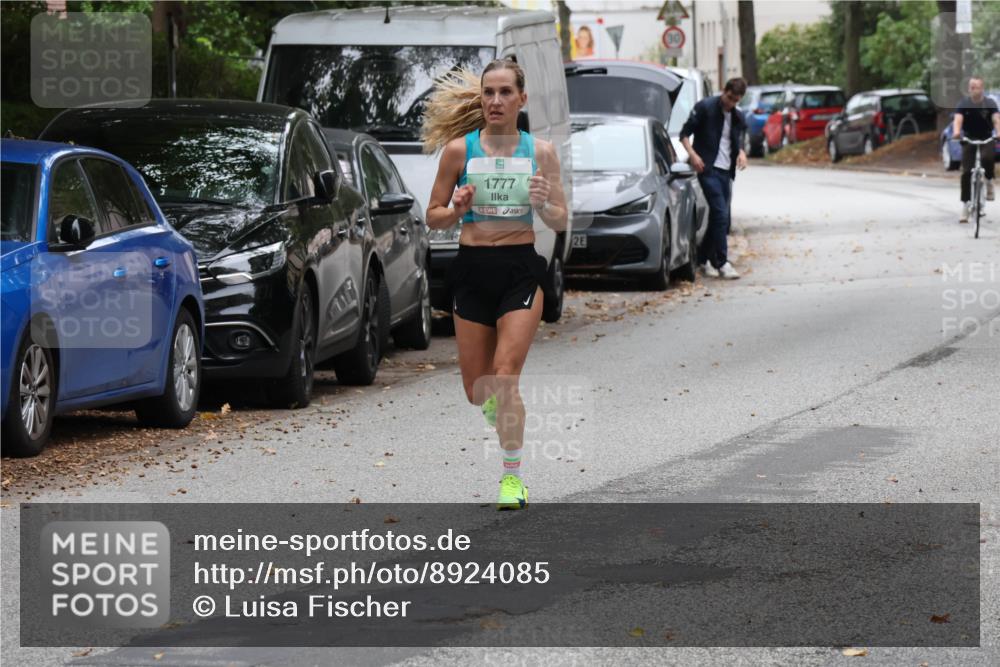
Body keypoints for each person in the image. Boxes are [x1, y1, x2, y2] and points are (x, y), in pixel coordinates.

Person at [422, 60, 568, 510]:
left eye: (506, 92)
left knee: (505, 376)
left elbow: (561, 219)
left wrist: (544, 203)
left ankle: (512, 478)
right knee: (477, 390)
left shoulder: (540, 152)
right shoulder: (458, 152)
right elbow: (433, 216)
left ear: (522, 99)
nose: (496, 101)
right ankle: (495, 409)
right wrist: (457, 206)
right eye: (489, 92)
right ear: (481, 98)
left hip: (520, 268)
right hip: (471, 270)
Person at [679, 77, 749, 279]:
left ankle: (702, 258)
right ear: (724, 91)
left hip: (726, 171)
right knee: (720, 213)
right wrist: (693, 155)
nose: (731, 103)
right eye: (729, 97)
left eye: (735, 100)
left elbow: (739, 138)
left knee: (720, 218)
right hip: (707, 169)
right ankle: (722, 262)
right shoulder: (705, 107)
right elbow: (684, 134)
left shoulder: (737, 117)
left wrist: (742, 153)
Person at [953, 76, 999, 223]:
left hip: (986, 137)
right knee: (966, 172)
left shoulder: (990, 103)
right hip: (969, 139)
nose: (973, 89)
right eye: (971, 86)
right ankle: (966, 205)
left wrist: (998, 132)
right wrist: (956, 132)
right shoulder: (964, 103)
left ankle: (989, 180)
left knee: (987, 158)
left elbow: (996, 119)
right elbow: (958, 119)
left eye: (976, 86)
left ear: (982, 88)